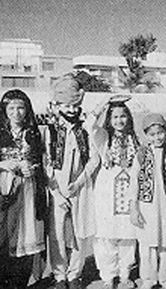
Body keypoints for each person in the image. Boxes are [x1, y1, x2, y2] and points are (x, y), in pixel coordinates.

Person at [44, 73, 95, 289]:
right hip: (57, 189)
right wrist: (56, 192)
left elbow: (95, 159)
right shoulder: (50, 131)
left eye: (75, 106)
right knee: (56, 233)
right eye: (67, 106)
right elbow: (46, 163)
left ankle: (75, 273)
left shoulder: (85, 129)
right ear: (57, 106)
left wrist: (81, 182)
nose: (72, 111)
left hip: (80, 188)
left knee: (80, 232)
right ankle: (59, 275)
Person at [86, 96, 140, 289]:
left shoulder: (135, 138)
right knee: (106, 235)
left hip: (129, 188)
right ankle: (108, 276)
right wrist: (105, 102)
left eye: (123, 116)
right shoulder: (103, 138)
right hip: (107, 190)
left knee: (128, 233)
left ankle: (125, 273)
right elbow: (89, 125)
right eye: (115, 117)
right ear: (108, 120)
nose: (119, 121)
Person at [129, 113, 166, 289]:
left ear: (165, 132)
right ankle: (148, 278)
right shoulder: (141, 154)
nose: (157, 137)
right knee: (147, 244)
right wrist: (134, 208)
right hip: (146, 207)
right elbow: (134, 181)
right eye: (152, 134)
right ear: (146, 135)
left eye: (160, 133)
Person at [0, 89, 46, 289]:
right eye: (11, 108)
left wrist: (32, 168)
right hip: (4, 187)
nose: (16, 112)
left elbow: (43, 160)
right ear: (4, 110)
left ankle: (21, 281)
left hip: (27, 190)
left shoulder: (36, 132)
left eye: (21, 108)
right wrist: (5, 164)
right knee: (4, 234)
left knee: (25, 235)